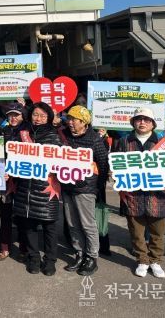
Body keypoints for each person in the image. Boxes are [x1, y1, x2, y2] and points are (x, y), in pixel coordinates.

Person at [113, 107, 165, 279]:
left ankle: (156, 260)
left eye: (146, 119)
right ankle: (142, 260)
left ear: (153, 124)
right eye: (138, 119)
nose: (142, 122)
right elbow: (115, 165)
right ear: (133, 122)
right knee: (136, 231)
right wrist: (118, 181)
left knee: (158, 231)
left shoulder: (162, 142)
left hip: (157, 194)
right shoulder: (124, 141)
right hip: (133, 194)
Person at [58, 106, 109, 276]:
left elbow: (103, 164)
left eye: (75, 120)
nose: (70, 123)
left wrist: (96, 186)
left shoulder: (94, 140)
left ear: (84, 122)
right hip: (67, 186)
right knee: (72, 223)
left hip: (86, 188)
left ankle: (92, 257)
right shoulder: (63, 136)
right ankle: (79, 253)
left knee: (88, 224)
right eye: (69, 119)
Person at [12, 102, 61, 276]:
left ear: (49, 118)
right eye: (35, 115)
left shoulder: (54, 136)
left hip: (47, 188)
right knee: (29, 225)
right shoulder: (22, 134)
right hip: (25, 187)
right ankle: (33, 258)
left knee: (49, 227)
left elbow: (61, 163)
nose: (38, 119)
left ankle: (50, 260)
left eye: (42, 115)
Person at [0, 103, 29, 262]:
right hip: (6, 180)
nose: (13, 118)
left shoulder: (29, 131)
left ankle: (24, 248)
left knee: (23, 215)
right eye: (10, 115)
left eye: (17, 115)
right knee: (5, 214)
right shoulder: (2, 131)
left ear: (23, 116)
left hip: (23, 180)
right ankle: (4, 247)